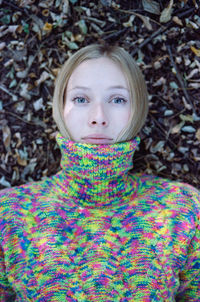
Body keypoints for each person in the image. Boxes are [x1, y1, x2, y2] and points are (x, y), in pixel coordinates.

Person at [0, 43, 199, 301]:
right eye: (81, 99)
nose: (98, 117)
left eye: (117, 100)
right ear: (60, 108)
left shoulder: (183, 209)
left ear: (137, 110)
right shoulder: (9, 213)